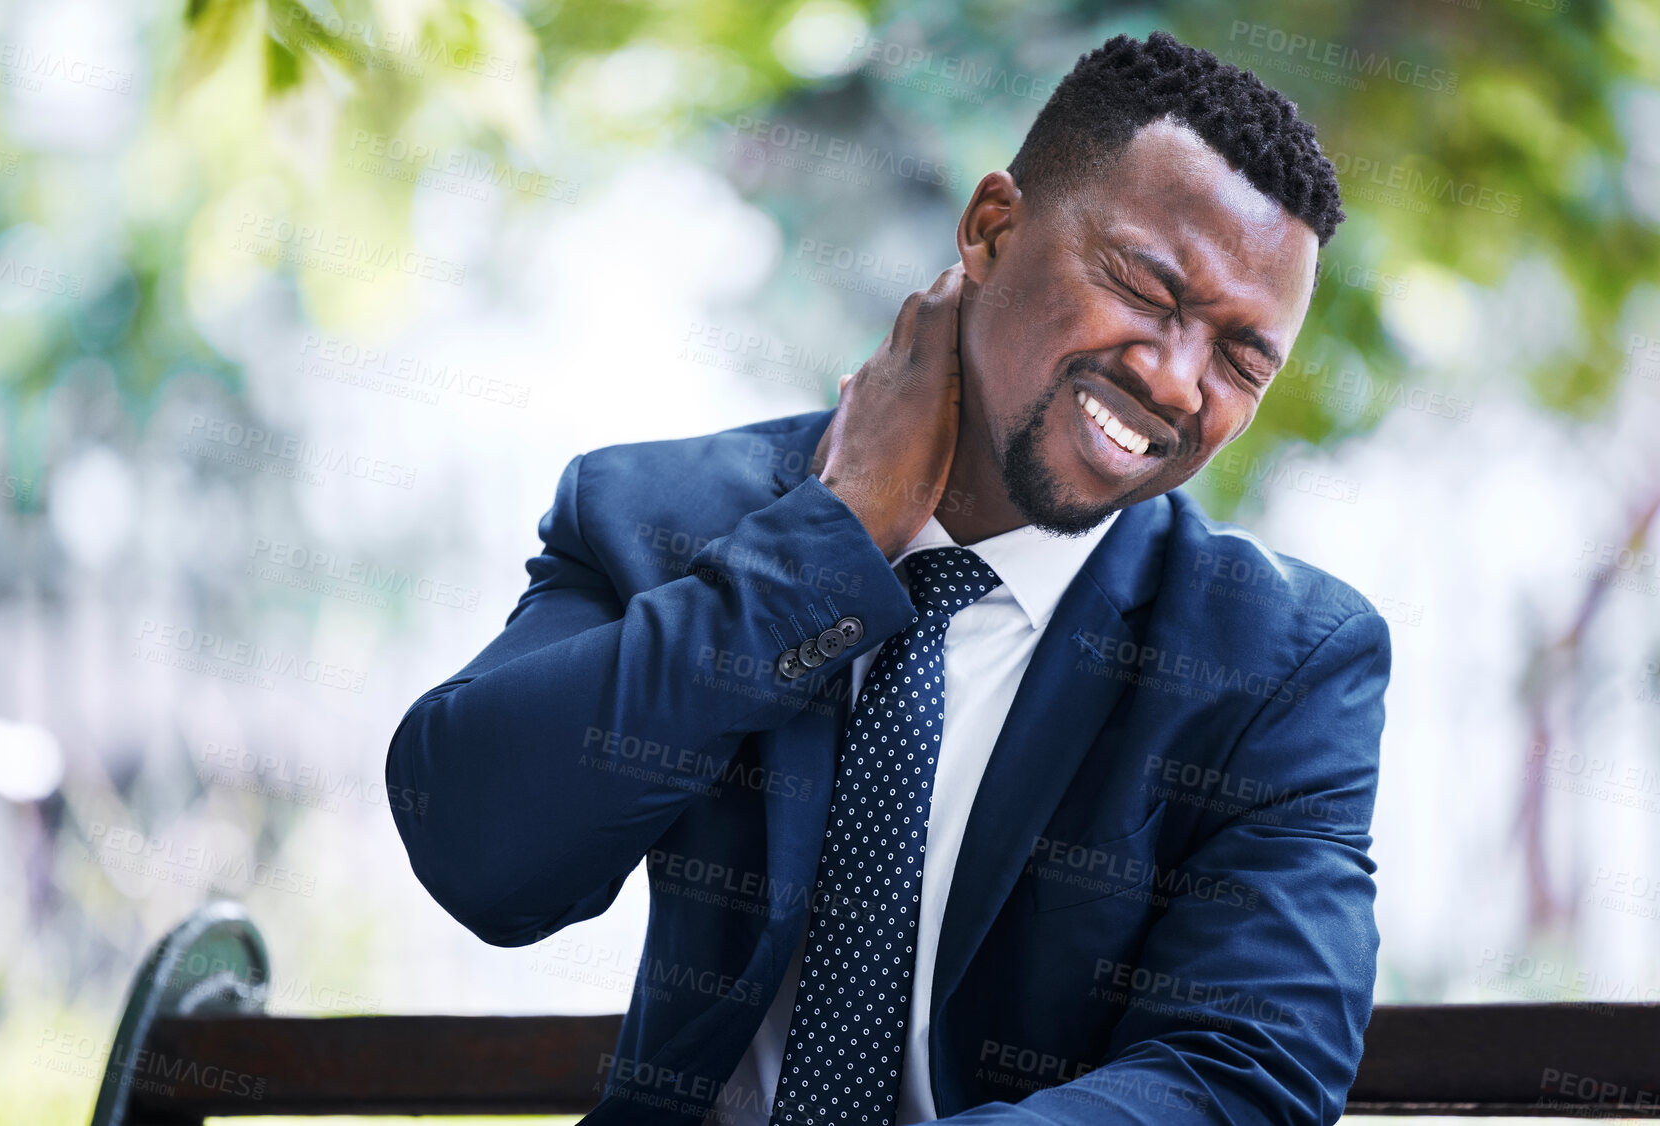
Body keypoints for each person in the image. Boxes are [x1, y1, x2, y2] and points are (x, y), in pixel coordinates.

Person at [386, 28, 1390, 1126]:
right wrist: (835, 541)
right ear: (993, 229)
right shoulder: (660, 515)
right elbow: (479, 847)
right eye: (1147, 290)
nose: (1176, 378)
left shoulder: (1281, 664)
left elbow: (1245, 1069)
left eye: (1243, 358)